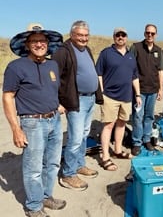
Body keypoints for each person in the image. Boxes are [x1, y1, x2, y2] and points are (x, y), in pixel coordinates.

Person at [2, 23, 66, 216]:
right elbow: (8, 97)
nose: (39, 44)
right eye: (34, 41)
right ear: (26, 44)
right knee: (34, 168)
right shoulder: (15, 67)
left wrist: (57, 105)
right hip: (32, 123)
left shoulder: (52, 64)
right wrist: (16, 129)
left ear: (48, 43)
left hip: (54, 120)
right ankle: (33, 206)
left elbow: (50, 89)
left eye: (42, 40)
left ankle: (46, 196)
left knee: (53, 163)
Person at [52, 20, 103, 191]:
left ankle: (80, 164)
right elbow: (53, 77)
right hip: (76, 100)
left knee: (84, 135)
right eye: (80, 35)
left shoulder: (86, 49)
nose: (83, 38)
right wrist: (58, 101)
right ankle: (68, 174)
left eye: (86, 35)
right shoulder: (63, 51)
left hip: (89, 99)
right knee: (74, 139)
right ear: (72, 35)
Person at [96, 27, 142, 170]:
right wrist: (102, 92)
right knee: (109, 125)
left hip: (126, 96)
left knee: (122, 124)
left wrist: (138, 94)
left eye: (123, 35)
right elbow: (99, 74)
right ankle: (105, 156)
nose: (120, 37)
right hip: (110, 96)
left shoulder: (130, 55)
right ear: (114, 37)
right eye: (118, 35)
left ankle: (117, 150)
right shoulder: (106, 53)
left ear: (126, 37)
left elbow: (134, 77)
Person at [130, 24, 163, 156]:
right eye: (148, 33)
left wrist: (161, 88)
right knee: (138, 116)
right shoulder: (136, 47)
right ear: (144, 33)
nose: (150, 35)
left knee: (149, 116)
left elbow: (160, 70)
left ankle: (147, 139)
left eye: (152, 33)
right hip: (139, 90)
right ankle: (137, 142)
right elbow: (131, 67)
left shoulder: (158, 50)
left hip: (153, 89)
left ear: (156, 35)